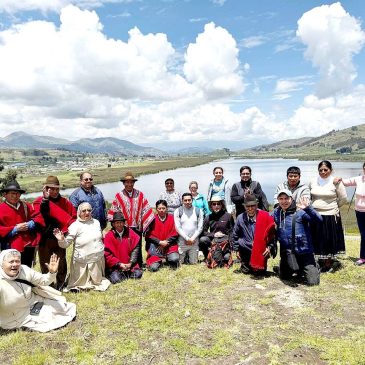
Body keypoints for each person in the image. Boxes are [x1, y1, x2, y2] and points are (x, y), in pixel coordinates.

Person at [0, 249, 76, 332]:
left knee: (63, 308)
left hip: (32, 302)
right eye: (11, 262)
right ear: (2, 264)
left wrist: (52, 272)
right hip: (15, 315)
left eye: (17, 261)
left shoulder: (24, 270)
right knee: (51, 318)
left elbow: (44, 281)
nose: (15, 264)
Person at [54, 202, 111, 292]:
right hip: (81, 262)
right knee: (79, 285)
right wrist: (61, 239)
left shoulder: (96, 222)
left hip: (96, 259)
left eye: (89, 210)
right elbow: (65, 245)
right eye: (84, 211)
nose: (87, 213)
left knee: (99, 282)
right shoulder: (75, 226)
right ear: (79, 212)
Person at [33, 176, 76, 290]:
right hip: (45, 238)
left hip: (59, 237)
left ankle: (61, 284)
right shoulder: (40, 201)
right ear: (46, 189)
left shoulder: (64, 202)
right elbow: (41, 213)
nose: (55, 191)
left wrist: (65, 232)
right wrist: (46, 200)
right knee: (45, 262)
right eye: (52, 189)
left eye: (57, 189)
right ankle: (48, 286)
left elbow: (72, 217)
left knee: (61, 262)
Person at [273, 190, 321, 286]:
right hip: (288, 253)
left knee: (313, 282)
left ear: (291, 199)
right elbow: (264, 219)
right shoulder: (276, 213)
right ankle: (287, 268)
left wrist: (308, 208)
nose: (284, 201)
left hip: (304, 252)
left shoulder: (300, 212)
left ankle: (313, 265)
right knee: (285, 277)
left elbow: (318, 220)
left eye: (286, 198)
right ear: (278, 200)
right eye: (281, 199)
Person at [108, 172, 154, 265]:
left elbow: (146, 208)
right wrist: (116, 224)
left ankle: (139, 264)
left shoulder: (140, 194)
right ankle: (126, 264)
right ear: (123, 183)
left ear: (134, 183)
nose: (129, 184)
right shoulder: (119, 196)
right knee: (126, 246)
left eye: (131, 182)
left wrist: (145, 221)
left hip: (137, 226)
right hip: (124, 227)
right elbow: (114, 210)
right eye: (127, 182)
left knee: (138, 245)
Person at [309, 160, 347, 272]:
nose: (323, 172)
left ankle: (329, 262)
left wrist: (333, 207)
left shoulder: (336, 181)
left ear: (331, 170)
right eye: (321, 170)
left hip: (330, 214)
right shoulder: (313, 181)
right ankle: (320, 260)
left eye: (326, 170)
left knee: (329, 239)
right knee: (318, 238)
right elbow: (310, 196)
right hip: (315, 214)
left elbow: (343, 198)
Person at [0, 180, 44, 267]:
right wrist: (15, 229)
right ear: (5, 195)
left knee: (27, 270)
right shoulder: (1, 209)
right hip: (10, 247)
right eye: (12, 193)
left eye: (18, 194)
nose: (15, 196)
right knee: (13, 272)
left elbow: (38, 217)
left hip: (28, 245)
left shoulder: (25, 205)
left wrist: (29, 224)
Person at [232, 194, 276, 274]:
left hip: (260, 249)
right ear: (244, 206)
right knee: (246, 271)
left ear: (257, 205)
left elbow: (271, 235)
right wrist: (236, 249)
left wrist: (269, 247)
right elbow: (235, 235)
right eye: (247, 206)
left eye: (252, 206)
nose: (250, 208)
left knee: (259, 273)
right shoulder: (240, 218)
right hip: (245, 247)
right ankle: (245, 262)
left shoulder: (265, 216)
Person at [335, 162, 365, 266]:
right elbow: (345, 182)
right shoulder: (359, 179)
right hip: (359, 212)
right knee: (363, 235)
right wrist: (339, 178)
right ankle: (363, 258)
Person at [104, 212, 143, 283]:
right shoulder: (109, 236)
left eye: (121, 222)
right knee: (116, 279)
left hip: (130, 265)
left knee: (138, 274)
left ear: (124, 223)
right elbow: (107, 255)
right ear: (113, 224)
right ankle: (122, 274)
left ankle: (125, 274)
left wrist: (131, 263)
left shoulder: (130, 232)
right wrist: (119, 264)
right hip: (116, 267)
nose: (119, 224)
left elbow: (136, 249)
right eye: (117, 223)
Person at [145, 200, 180, 271]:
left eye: (163, 208)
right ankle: (161, 260)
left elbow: (175, 234)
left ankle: (167, 258)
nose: (161, 210)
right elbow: (148, 236)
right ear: (156, 209)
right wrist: (160, 242)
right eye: (159, 208)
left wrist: (166, 242)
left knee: (174, 259)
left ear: (167, 209)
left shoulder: (172, 218)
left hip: (169, 245)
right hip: (156, 246)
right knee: (153, 268)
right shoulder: (152, 219)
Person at [199, 196, 234, 260]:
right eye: (214, 204)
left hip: (225, 242)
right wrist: (213, 234)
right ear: (211, 206)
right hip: (213, 241)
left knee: (226, 258)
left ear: (222, 205)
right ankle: (207, 256)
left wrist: (230, 242)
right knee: (203, 239)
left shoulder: (228, 216)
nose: (216, 206)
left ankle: (223, 254)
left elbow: (232, 231)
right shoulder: (208, 217)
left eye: (218, 204)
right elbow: (203, 232)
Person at [174, 192, 204, 264]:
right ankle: (185, 256)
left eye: (189, 200)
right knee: (180, 263)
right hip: (182, 241)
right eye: (185, 200)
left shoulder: (198, 211)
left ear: (192, 200)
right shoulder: (178, 211)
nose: (187, 202)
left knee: (193, 262)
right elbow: (178, 227)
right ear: (182, 201)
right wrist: (187, 239)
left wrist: (192, 239)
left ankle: (189, 256)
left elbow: (200, 227)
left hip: (194, 241)